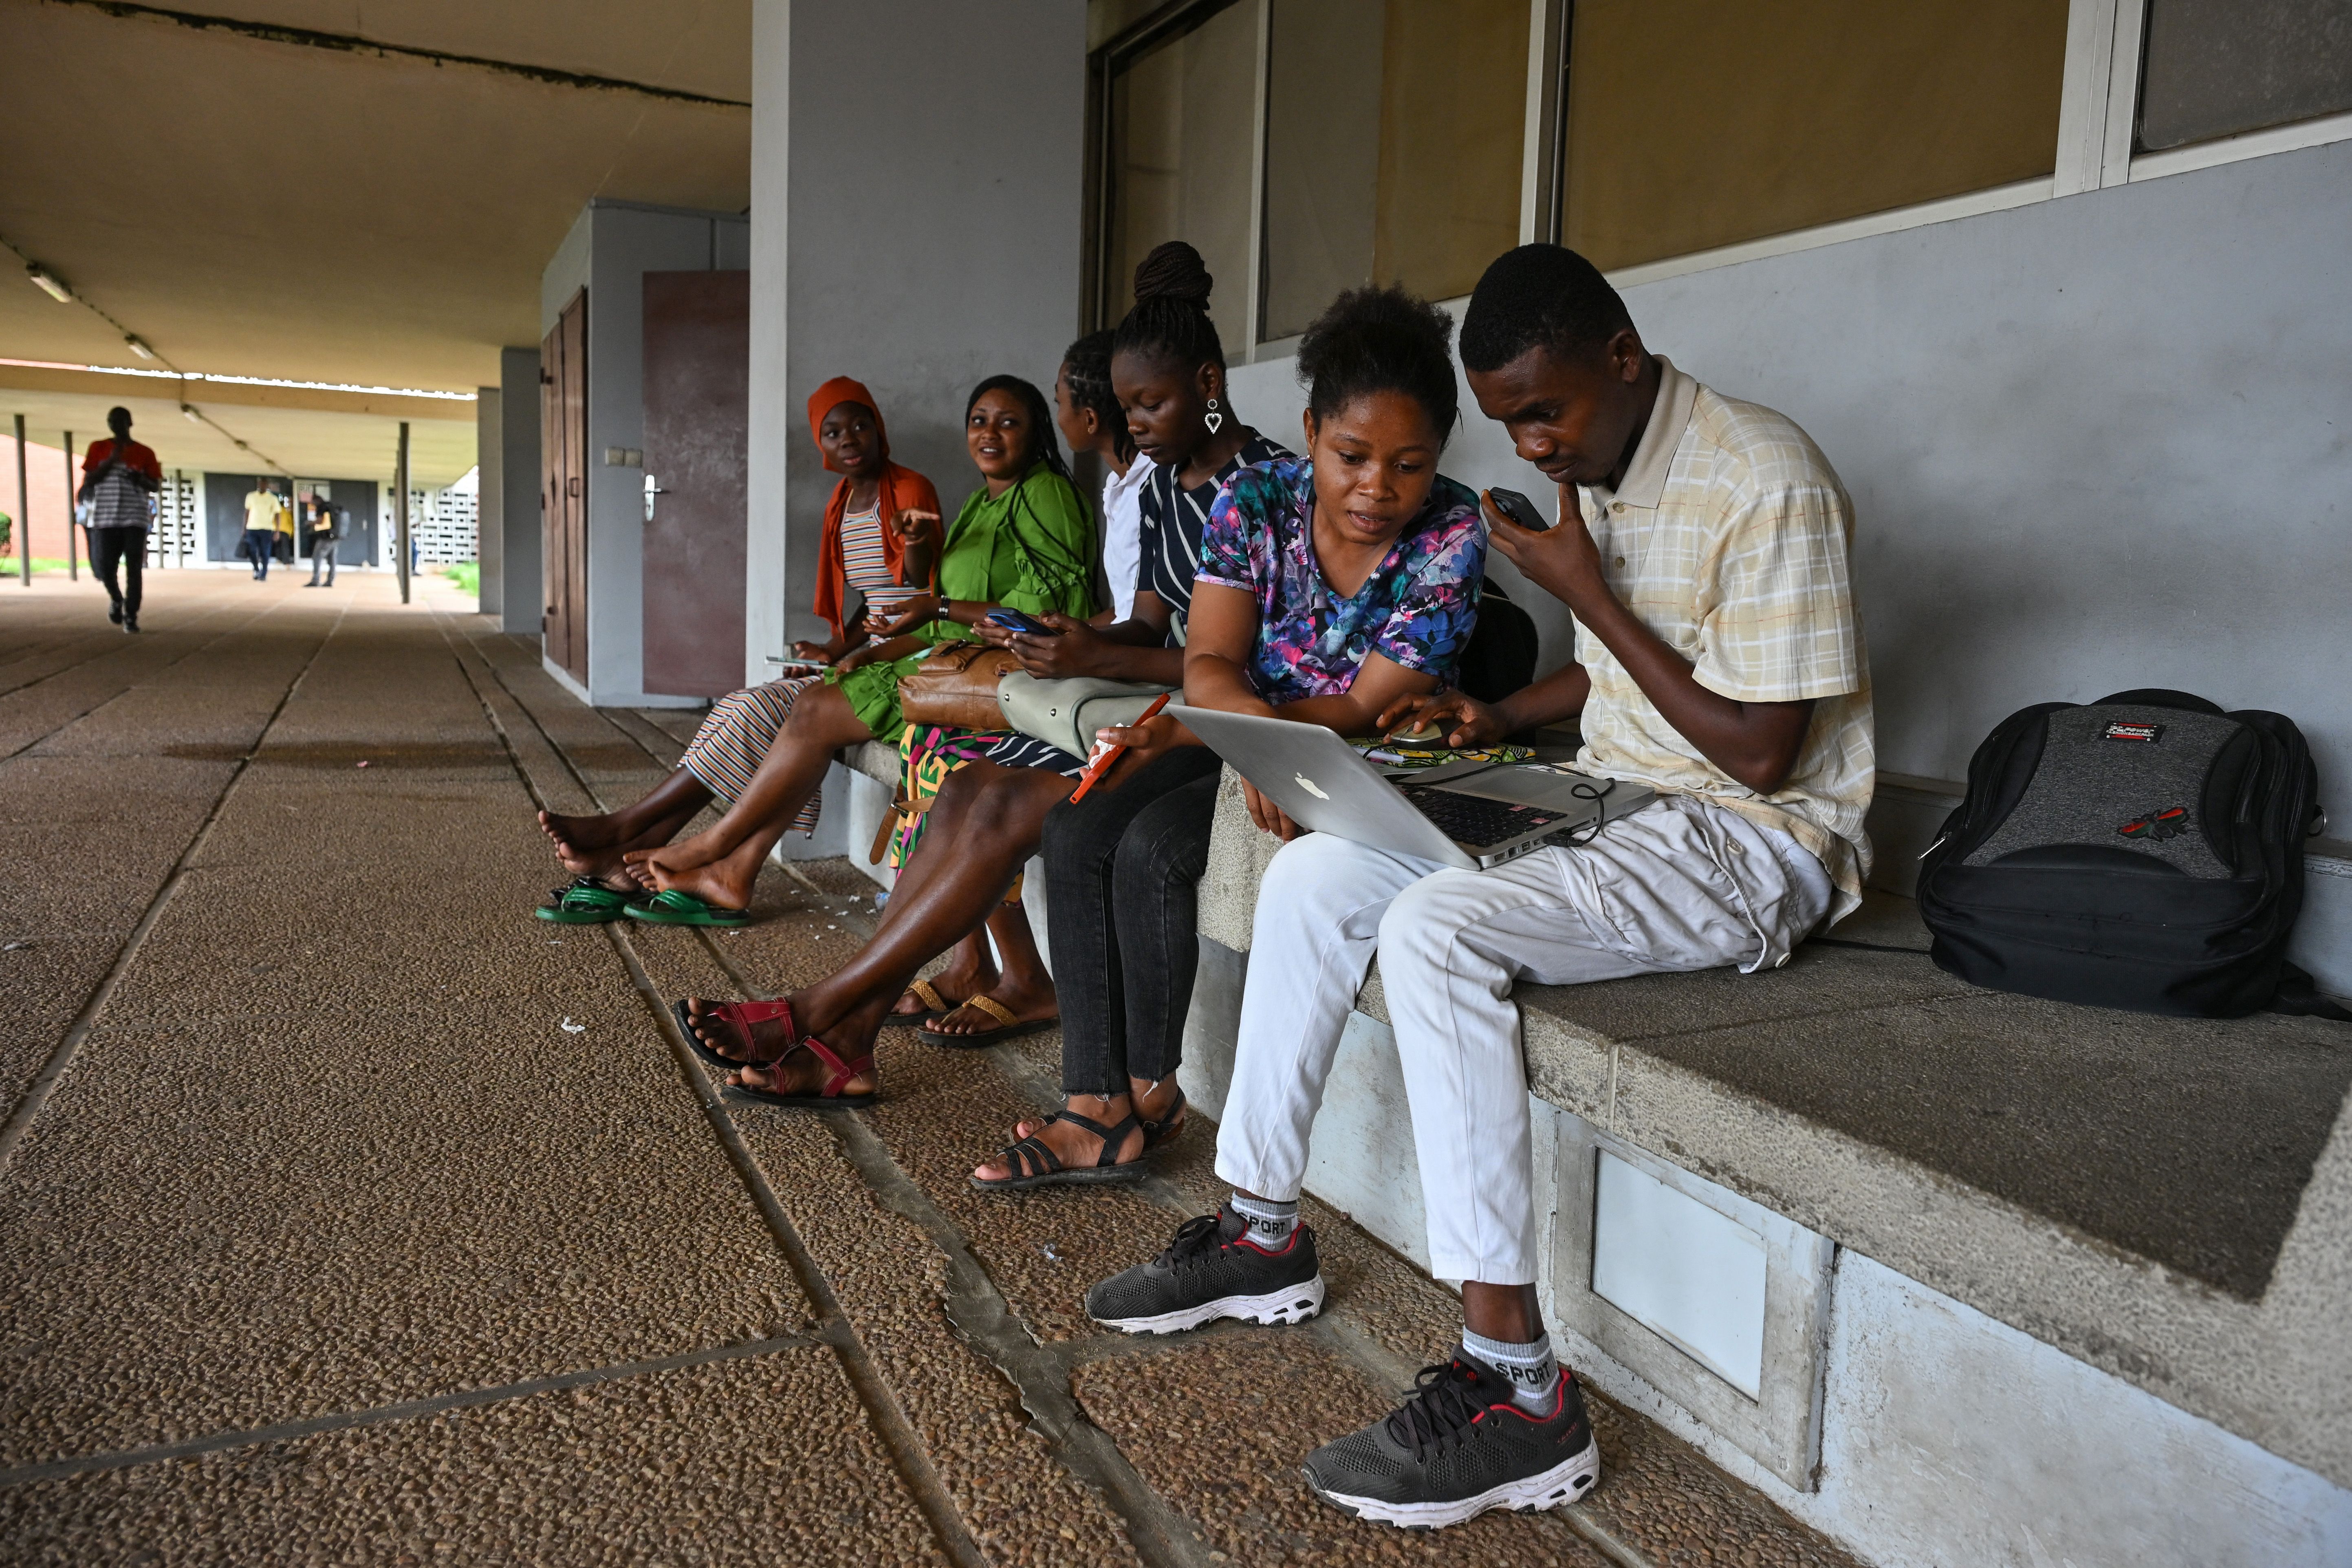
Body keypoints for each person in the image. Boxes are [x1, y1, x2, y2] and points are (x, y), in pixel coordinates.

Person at [1083, 244, 1875, 1530]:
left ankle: (1516, 1387)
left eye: (1540, 414)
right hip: (1607, 797)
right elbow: (1630, 684)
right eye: (1509, 422)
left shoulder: (1760, 474)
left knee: (1435, 926)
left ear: (1623, 357)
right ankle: (1260, 1225)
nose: (1530, 444)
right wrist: (1502, 707)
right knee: (1323, 868)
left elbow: (1760, 749)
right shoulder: (1608, 455)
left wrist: (1583, 598)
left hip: (1748, 838)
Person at [663, 245, 1307, 1101]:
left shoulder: (1264, 486)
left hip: (1214, 713)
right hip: (1140, 691)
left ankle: (824, 1012)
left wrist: (1100, 657)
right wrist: (1076, 644)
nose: (1136, 425)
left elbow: (1240, 664)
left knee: (1000, 801)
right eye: (1125, 408)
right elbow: (1147, 625)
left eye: (1150, 404)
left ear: (1210, 382)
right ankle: (849, 1030)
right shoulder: (1158, 488)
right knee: (967, 789)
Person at [618, 372, 1090, 938]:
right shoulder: (980, 504)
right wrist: (866, 654)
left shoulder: (1045, 495)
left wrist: (935, 607)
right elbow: (929, 616)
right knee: (805, 703)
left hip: (1002, 680)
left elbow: (1037, 621)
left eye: (1009, 422)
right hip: (947, 667)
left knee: (814, 712)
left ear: (1037, 431)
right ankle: (731, 868)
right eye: (979, 421)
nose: (990, 433)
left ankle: (716, 848)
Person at [533, 379, 943, 923]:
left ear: (879, 428)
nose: (850, 439)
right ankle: (627, 850)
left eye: (860, 424)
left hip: (916, 654)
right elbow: (873, 602)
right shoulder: (842, 504)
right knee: (737, 705)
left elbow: (923, 588)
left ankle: (623, 830)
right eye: (833, 432)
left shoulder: (910, 488)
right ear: (821, 446)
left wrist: (912, 549)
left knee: (757, 711)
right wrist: (834, 648)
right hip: (872, 654)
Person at [79, 407, 161, 630]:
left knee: (134, 568)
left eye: (120, 421)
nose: (115, 425)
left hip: (134, 518)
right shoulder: (99, 448)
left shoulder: (145, 452)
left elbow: (155, 486)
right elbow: (90, 480)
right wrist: (110, 460)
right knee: (106, 567)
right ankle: (117, 599)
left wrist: (139, 478)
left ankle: (131, 615)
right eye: (111, 421)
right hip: (106, 519)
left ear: (130, 423)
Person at [241, 478, 280, 581]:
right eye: (261, 484)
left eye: (264, 484)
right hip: (252, 528)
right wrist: (244, 527)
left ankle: (264, 574)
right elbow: (247, 512)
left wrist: (277, 531)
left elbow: (277, 515)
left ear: (267, 486)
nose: (262, 486)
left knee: (265, 552)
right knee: (252, 550)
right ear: (258, 485)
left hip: (267, 529)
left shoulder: (273, 499)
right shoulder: (251, 496)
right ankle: (256, 569)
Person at [305, 496, 340, 586]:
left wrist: (309, 523)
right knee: (332, 560)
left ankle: (316, 580)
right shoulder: (331, 506)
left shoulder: (322, 507)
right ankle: (330, 581)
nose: (313, 504)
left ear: (318, 501)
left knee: (317, 557)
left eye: (313, 502)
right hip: (335, 536)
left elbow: (320, 521)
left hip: (325, 537)